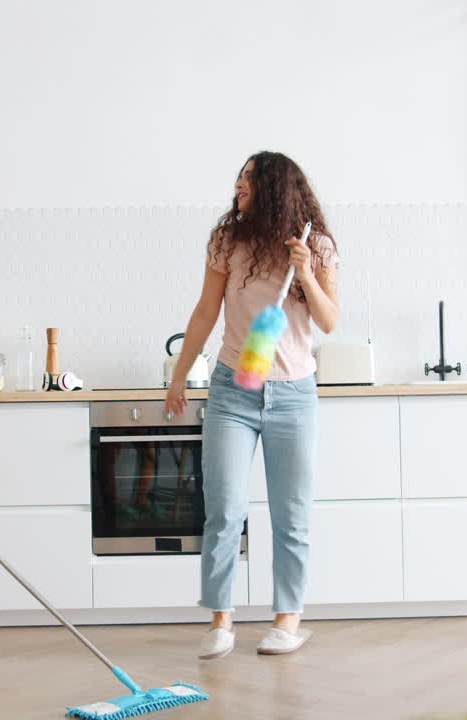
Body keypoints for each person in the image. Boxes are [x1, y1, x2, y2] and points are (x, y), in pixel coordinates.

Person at [164, 151, 339, 659]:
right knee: (223, 508)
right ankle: (221, 620)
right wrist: (180, 377)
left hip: (294, 395)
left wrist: (305, 272)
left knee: (292, 514)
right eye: (238, 180)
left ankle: (287, 620)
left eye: (246, 181)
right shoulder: (227, 240)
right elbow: (204, 311)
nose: (237, 188)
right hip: (232, 392)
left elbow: (329, 321)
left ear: (274, 189)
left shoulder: (317, 246)